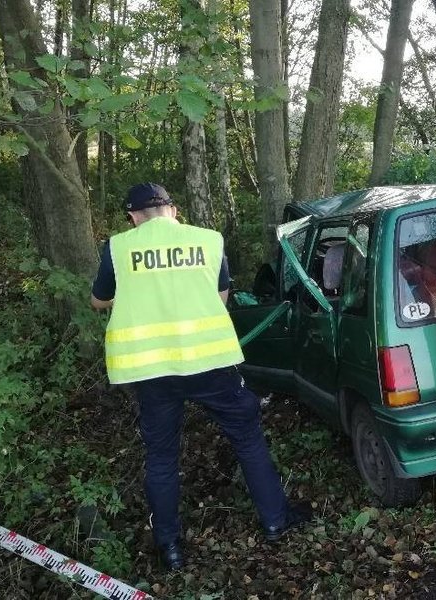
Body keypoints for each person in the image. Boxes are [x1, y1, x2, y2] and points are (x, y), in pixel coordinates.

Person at [90, 183, 309, 570]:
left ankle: (170, 548)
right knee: (247, 439)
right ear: (173, 210)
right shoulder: (208, 240)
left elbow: (98, 301)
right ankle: (276, 520)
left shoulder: (118, 247)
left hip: (152, 370)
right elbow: (221, 296)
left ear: (133, 217)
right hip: (211, 364)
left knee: (161, 457)